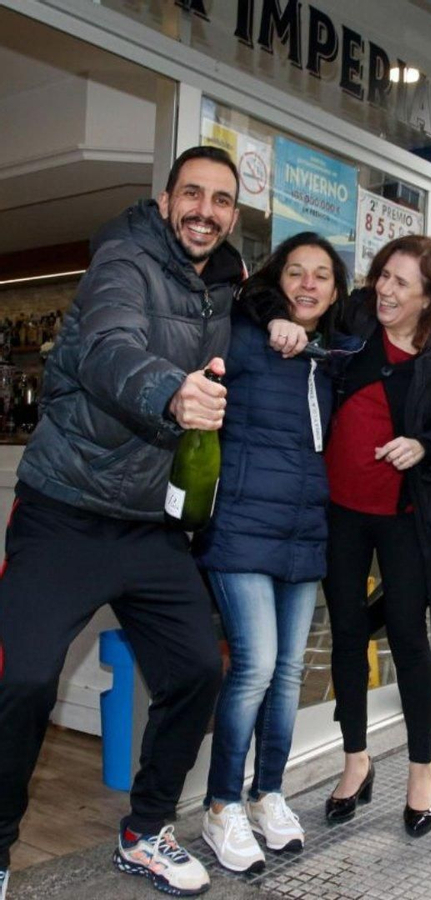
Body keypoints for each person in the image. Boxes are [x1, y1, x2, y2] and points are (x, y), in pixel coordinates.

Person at [0, 145, 243, 897]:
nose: (205, 210)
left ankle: (145, 830)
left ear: (234, 215)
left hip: (149, 525)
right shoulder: (123, 262)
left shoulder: (227, 284)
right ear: (166, 199)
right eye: (192, 194)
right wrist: (172, 392)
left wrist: (304, 332)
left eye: (222, 200)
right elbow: (110, 350)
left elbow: (314, 308)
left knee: (201, 669)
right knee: (26, 680)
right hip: (64, 514)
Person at [192, 232, 349, 873]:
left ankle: (268, 793)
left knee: (288, 672)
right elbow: (229, 285)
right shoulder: (247, 332)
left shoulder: (328, 357)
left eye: (322, 276)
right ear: (277, 279)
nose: (308, 285)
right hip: (240, 528)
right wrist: (266, 311)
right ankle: (221, 804)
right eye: (295, 272)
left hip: (302, 531)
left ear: (336, 292)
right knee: (255, 666)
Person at [311, 235, 431, 838]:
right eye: (383, 276)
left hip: (408, 516)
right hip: (340, 512)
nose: (385, 289)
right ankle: (355, 762)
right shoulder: (351, 321)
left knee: (409, 640)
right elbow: (288, 308)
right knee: (348, 633)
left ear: (429, 297)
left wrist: (426, 445)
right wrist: (280, 320)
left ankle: (421, 771)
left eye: (402, 283)